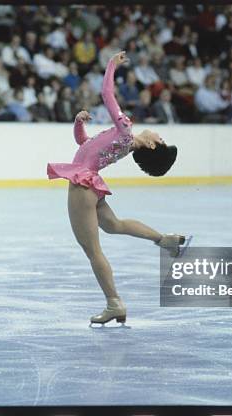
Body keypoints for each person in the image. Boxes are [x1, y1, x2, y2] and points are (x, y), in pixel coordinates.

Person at [46, 51, 189, 326]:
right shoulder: (124, 140)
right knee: (114, 224)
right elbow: (84, 146)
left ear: (150, 146)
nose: (158, 134)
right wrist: (78, 124)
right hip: (90, 182)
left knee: (93, 251)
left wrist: (112, 65)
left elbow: (106, 93)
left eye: (160, 138)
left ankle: (114, 303)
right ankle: (163, 240)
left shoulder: (124, 131)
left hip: (83, 185)